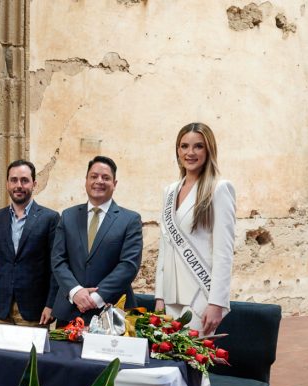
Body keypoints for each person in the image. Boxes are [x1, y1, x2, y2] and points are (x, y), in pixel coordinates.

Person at [154, 122, 236, 335]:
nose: (190, 153)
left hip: (200, 293)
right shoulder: (170, 191)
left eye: (198, 146)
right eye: (184, 146)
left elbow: (223, 252)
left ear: (209, 150)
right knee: (167, 359)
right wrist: (159, 297)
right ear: (177, 151)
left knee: (192, 362)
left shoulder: (219, 189)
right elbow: (165, 248)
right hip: (171, 295)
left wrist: (216, 302)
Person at [51, 155, 143, 324]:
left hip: (112, 310)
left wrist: (97, 297)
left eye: (105, 178)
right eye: (93, 176)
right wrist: (76, 291)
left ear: (114, 184)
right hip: (70, 310)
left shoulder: (130, 219)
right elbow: (58, 260)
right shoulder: (68, 216)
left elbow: (129, 265)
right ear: (86, 181)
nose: (99, 181)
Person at [0, 160, 60, 326]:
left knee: (31, 353)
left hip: (35, 310)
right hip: (0, 309)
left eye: (24, 180)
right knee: (0, 352)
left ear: (34, 184)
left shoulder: (50, 218)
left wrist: (51, 304)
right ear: (7, 184)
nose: (19, 185)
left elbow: (55, 267)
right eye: (14, 180)